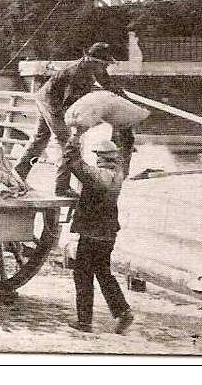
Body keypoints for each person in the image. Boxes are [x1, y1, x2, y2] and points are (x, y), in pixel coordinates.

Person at [14, 42, 124, 197]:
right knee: (67, 142)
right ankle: (62, 187)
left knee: (40, 139)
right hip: (52, 103)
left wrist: (122, 96)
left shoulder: (94, 68)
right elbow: (68, 106)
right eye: (104, 64)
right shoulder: (76, 74)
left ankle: (18, 174)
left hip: (47, 98)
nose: (105, 68)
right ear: (92, 61)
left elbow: (108, 83)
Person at [66, 139, 133, 334]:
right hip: (108, 233)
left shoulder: (97, 175)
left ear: (102, 158)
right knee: (104, 274)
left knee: (83, 275)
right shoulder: (119, 173)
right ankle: (123, 312)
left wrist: (73, 139)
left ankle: (84, 321)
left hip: (91, 234)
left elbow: (74, 164)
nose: (96, 160)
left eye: (97, 156)